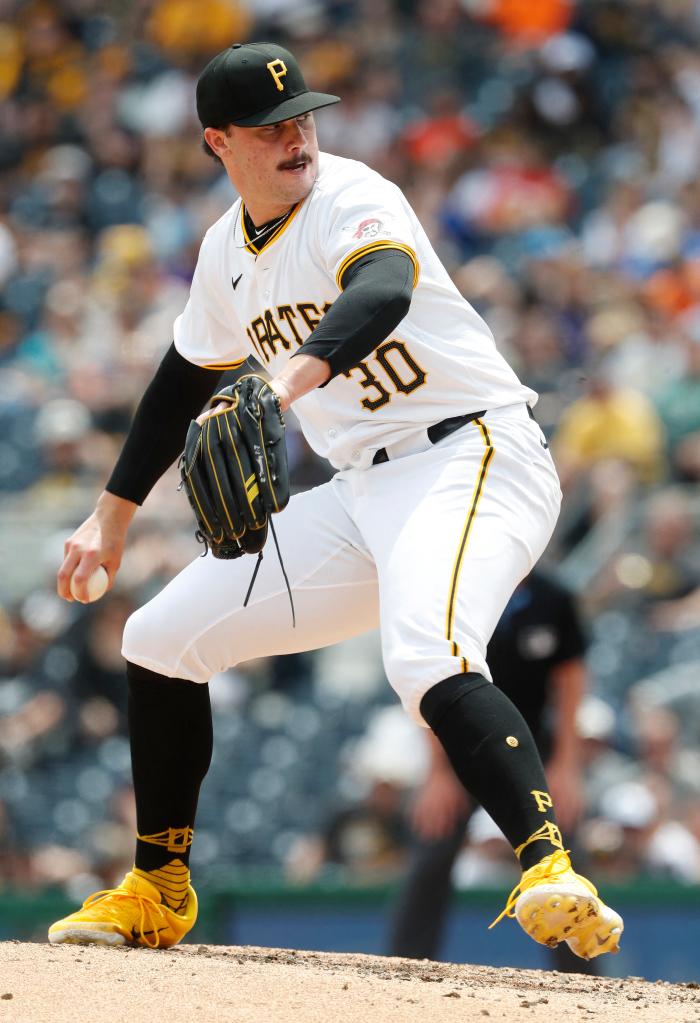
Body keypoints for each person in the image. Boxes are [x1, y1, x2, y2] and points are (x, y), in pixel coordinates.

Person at [47, 41, 622, 958]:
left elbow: (383, 293)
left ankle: (550, 865)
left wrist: (278, 386)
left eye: (304, 117)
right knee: (155, 641)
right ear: (217, 143)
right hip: (364, 488)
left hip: (473, 449)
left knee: (425, 651)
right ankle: (158, 888)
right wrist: (111, 514)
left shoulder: (353, 196)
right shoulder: (223, 252)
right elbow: (181, 378)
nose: (295, 137)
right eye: (270, 128)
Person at [388, 569, 595, 973]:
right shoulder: (455, 592)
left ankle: (582, 978)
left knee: (563, 853)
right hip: (460, 749)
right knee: (432, 847)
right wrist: (438, 773)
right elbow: (427, 679)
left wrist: (567, 766)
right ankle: (403, 967)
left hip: (535, 752)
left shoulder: (554, 599)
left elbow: (570, 682)